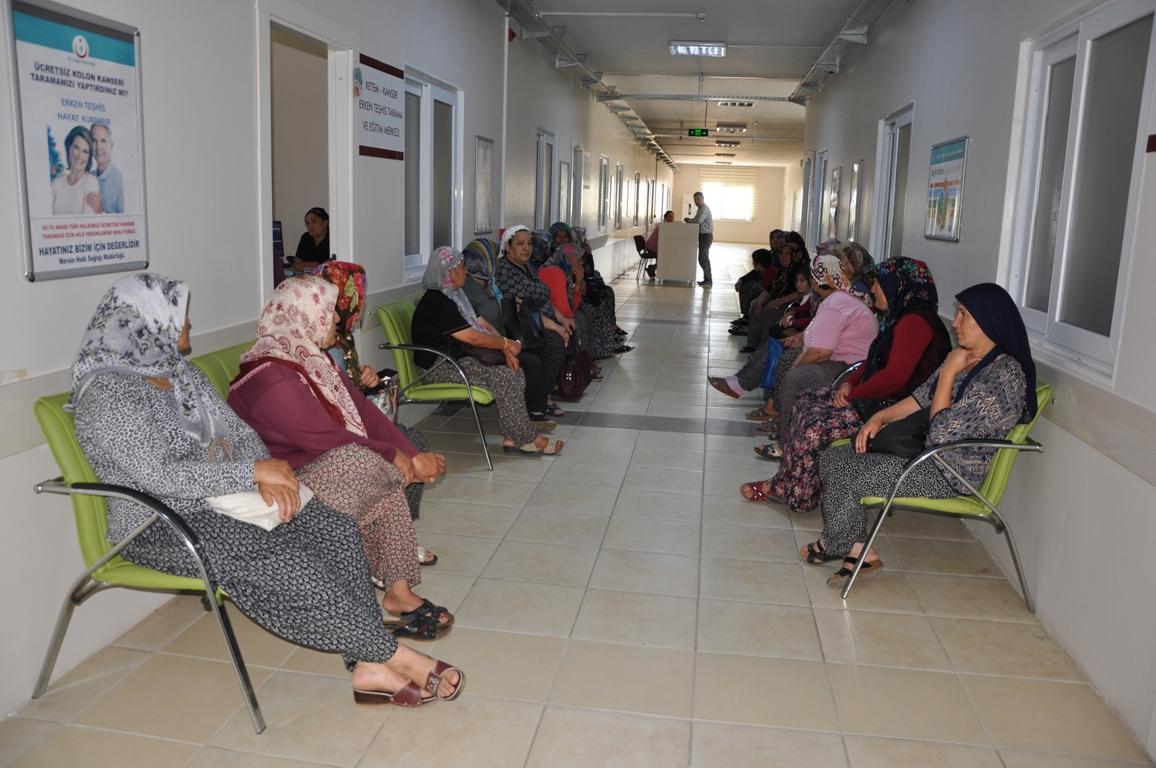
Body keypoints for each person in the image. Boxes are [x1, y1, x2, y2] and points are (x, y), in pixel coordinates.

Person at [70, 273, 463, 706]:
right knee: (284, 559)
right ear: (145, 324)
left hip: (224, 499)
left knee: (333, 529)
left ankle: (366, 665)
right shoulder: (107, 393)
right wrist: (250, 474)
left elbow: (240, 434)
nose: (189, 323)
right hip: (160, 522)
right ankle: (391, 655)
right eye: (179, 316)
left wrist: (269, 476)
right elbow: (159, 476)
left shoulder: (181, 374)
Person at [228, 276, 454, 639]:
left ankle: (398, 591)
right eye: (329, 311)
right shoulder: (270, 376)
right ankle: (368, 570)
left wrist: (412, 455)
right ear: (304, 315)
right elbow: (324, 438)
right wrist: (399, 459)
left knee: (377, 469)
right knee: (364, 463)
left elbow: (363, 409)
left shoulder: (311, 359)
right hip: (283, 486)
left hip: (320, 467)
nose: (336, 319)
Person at [806, 282, 1037, 588]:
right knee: (833, 457)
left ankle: (846, 546)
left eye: (964, 315)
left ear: (988, 321)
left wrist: (949, 373)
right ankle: (855, 547)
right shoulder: (965, 356)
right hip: (925, 455)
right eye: (957, 313)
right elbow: (921, 397)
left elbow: (942, 434)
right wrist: (880, 417)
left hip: (949, 471)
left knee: (849, 472)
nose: (955, 323)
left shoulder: (1004, 376)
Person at [741, 257, 951, 510]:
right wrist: (849, 384)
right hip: (875, 398)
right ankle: (792, 482)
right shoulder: (901, 316)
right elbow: (873, 360)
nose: (872, 289)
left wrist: (853, 394)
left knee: (816, 422)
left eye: (879, 284)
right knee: (806, 401)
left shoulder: (916, 322)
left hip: (893, 409)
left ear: (898, 285)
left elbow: (895, 377)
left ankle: (795, 491)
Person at [315, 261, 439, 565]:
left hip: (351, 420)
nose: (358, 303)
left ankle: (397, 536)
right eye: (353, 294)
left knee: (413, 440)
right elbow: (320, 401)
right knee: (402, 452)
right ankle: (382, 542)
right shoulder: (310, 339)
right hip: (330, 436)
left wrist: (362, 377)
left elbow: (345, 388)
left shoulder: (341, 336)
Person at [415, 245, 564, 455]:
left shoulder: (455, 295)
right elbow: (471, 336)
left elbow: (482, 324)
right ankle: (524, 437)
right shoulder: (438, 301)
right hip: (438, 368)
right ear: (450, 271)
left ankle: (514, 437)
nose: (466, 271)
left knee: (511, 371)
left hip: (457, 360)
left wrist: (505, 350)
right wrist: (505, 344)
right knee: (506, 375)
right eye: (462, 267)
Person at [462, 239, 555, 422]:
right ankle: (524, 412)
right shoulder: (468, 288)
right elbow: (477, 326)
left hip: (503, 337)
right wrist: (505, 345)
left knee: (543, 347)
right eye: (491, 258)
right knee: (532, 361)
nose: (495, 262)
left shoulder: (489, 284)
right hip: (485, 345)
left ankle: (537, 406)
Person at [498, 226, 570, 417]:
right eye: (520, 244)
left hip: (541, 320)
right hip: (522, 325)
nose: (526, 248)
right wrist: (555, 326)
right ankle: (541, 399)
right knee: (554, 342)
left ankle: (547, 392)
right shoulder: (505, 271)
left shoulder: (528, 266)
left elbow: (543, 298)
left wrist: (562, 319)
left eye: (529, 243)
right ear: (507, 247)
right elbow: (523, 308)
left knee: (570, 329)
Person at [51, 125, 99, 215]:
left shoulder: (90, 182)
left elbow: (88, 220)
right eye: (77, 148)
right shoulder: (57, 184)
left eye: (85, 151)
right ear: (69, 147)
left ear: (89, 157)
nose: (80, 156)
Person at [85, 123, 123, 214]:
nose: (98, 147)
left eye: (103, 140)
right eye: (94, 141)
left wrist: (100, 210)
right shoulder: (88, 177)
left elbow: (128, 219)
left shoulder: (120, 181)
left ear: (111, 145)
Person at [684, 191, 714, 286]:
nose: (696, 201)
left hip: (706, 236)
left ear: (703, 199)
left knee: (703, 258)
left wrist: (689, 220)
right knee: (703, 258)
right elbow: (696, 220)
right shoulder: (700, 209)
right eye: (695, 200)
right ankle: (707, 279)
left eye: (698, 199)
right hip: (702, 236)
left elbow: (697, 221)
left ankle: (708, 279)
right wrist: (690, 220)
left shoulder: (704, 209)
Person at [292, 207, 331, 271]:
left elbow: (332, 265)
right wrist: (318, 265)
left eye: (314, 221)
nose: (310, 226)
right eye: (307, 223)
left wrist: (309, 265)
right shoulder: (305, 237)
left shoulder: (334, 238)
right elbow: (297, 264)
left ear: (325, 223)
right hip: (307, 276)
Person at [643, 210, 675, 279]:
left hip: (654, 246)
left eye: (673, 217)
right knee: (666, 257)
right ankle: (652, 268)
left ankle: (652, 268)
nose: (672, 218)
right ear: (665, 217)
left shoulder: (665, 225)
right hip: (652, 247)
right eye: (670, 216)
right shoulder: (664, 226)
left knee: (666, 256)